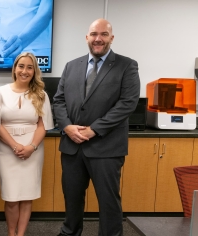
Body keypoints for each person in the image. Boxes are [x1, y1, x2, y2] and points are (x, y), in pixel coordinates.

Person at [53, 19, 140, 236]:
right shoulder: (71, 66)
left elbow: (127, 103)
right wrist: (67, 127)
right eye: (93, 34)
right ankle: (70, 232)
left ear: (111, 37)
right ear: (87, 37)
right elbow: (59, 101)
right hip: (72, 147)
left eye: (103, 34)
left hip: (106, 148)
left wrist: (94, 129)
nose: (98, 39)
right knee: (72, 199)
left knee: (108, 201)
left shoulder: (127, 65)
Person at [0, 52, 54, 236]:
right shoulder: (0, 92)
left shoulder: (41, 94)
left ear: (34, 71)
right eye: (21, 66)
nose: (24, 71)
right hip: (6, 149)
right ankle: (11, 234)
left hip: (33, 150)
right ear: (14, 68)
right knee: (11, 197)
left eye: (29, 67)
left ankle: (21, 234)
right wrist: (14, 146)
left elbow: (43, 126)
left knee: (27, 196)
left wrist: (31, 147)